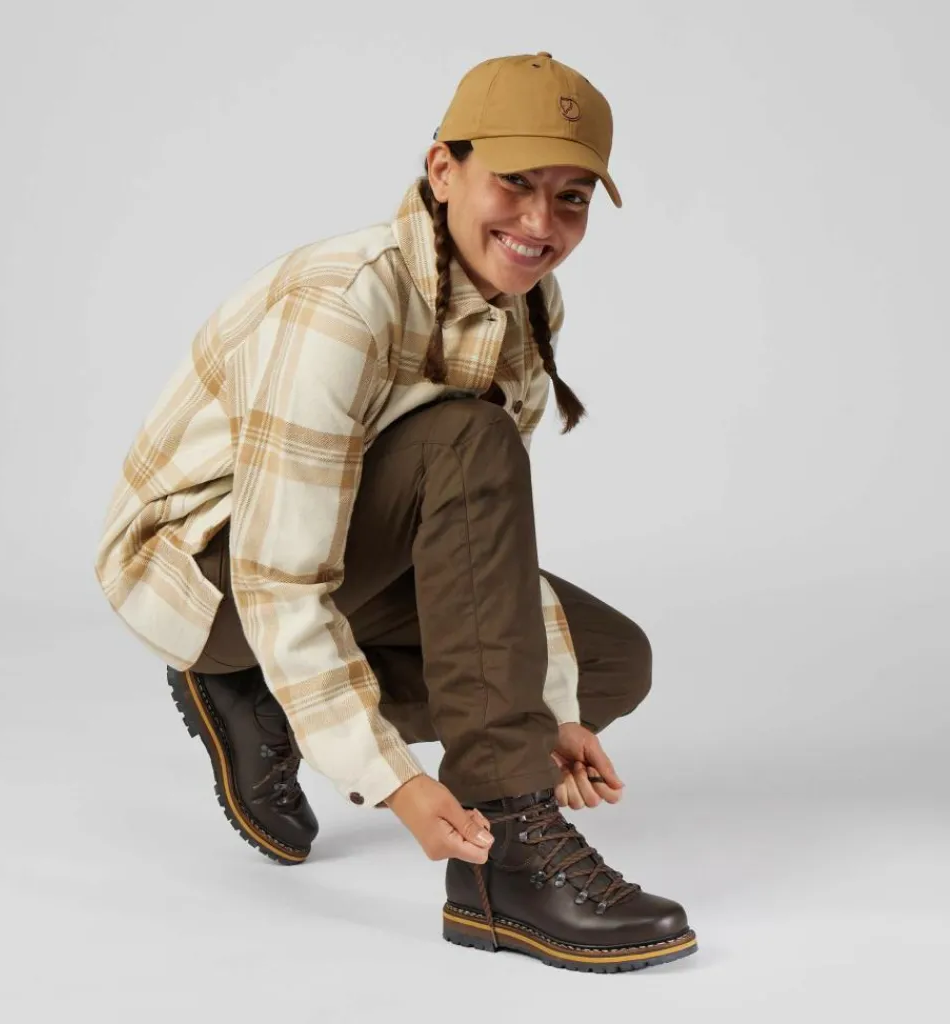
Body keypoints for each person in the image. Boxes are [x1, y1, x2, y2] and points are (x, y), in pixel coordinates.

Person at [94, 51, 697, 973]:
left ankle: (271, 699)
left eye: (571, 197)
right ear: (442, 169)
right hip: (208, 576)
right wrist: (397, 781)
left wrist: (553, 713)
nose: (541, 224)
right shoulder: (343, 303)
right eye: (515, 182)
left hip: (341, 552)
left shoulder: (524, 304)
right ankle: (507, 852)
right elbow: (278, 576)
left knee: (608, 665)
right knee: (466, 439)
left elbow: (482, 540)